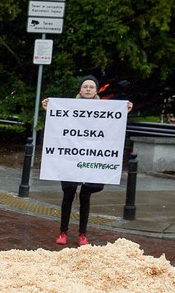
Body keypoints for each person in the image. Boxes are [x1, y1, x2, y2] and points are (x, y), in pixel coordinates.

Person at [41, 75, 133, 246]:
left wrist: (124, 111)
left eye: (91, 87)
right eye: (85, 86)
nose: (88, 89)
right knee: (68, 195)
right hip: (71, 159)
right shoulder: (69, 106)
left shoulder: (105, 108)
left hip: (91, 160)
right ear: (80, 89)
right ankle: (63, 232)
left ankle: (82, 234)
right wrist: (49, 109)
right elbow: (60, 123)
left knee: (85, 196)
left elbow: (111, 127)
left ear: (96, 90)